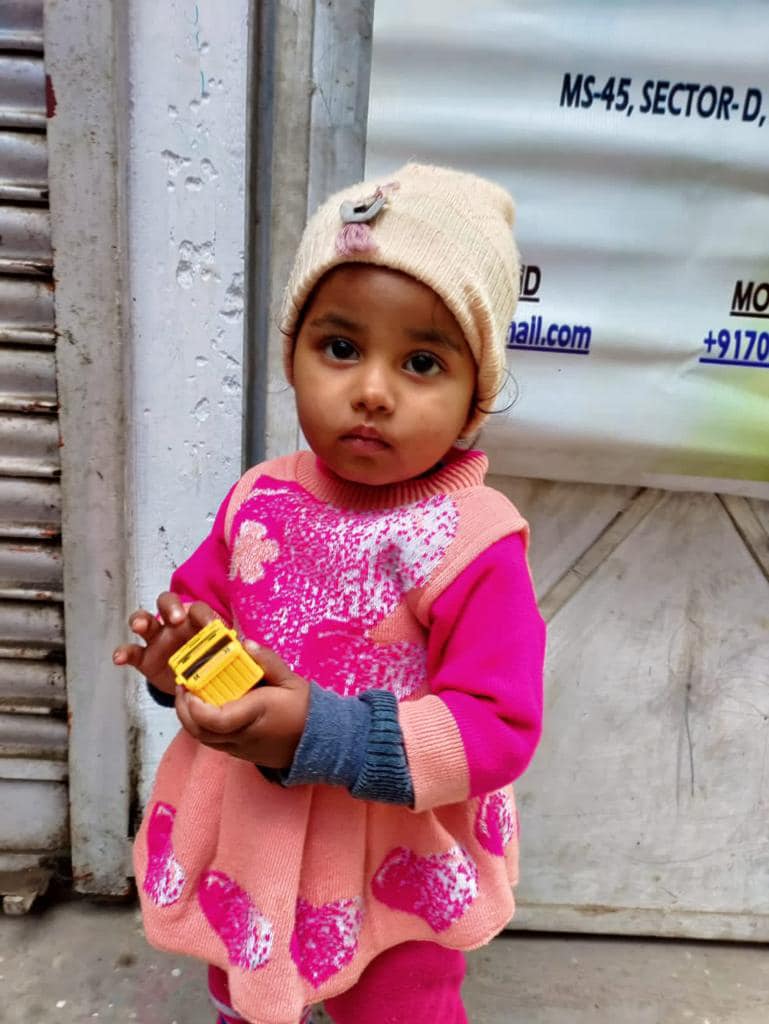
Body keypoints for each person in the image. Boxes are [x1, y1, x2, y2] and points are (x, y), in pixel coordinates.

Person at [113, 163, 545, 1024]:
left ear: (474, 401)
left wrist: (324, 730)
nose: (372, 391)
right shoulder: (260, 499)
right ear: (294, 354)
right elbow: (209, 613)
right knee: (242, 970)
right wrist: (177, 663)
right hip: (253, 833)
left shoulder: (471, 539)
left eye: (421, 361)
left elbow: (498, 725)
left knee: (398, 1002)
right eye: (340, 347)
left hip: (389, 845)